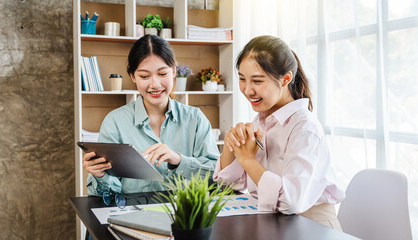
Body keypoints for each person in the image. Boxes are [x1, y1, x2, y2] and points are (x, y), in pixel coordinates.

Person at [213, 35, 345, 230]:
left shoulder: (305, 129)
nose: (247, 90)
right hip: (275, 224)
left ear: (286, 79)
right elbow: (228, 185)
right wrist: (230, 148)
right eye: (242, 79)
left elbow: (291, 201)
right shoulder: (261, 121)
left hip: (313, 226)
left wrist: (248, 160)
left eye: (257, 81)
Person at [84, 34, 219, 196]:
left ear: (174, 71)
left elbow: (216, 176)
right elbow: (107, 193)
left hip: (186, 216)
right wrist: (99, 175)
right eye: (144, 76)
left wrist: (178, 161)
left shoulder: (195, 119)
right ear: (133, 76)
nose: (155, 84)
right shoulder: (115, 122)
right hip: (133, 217)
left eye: (162, 74)